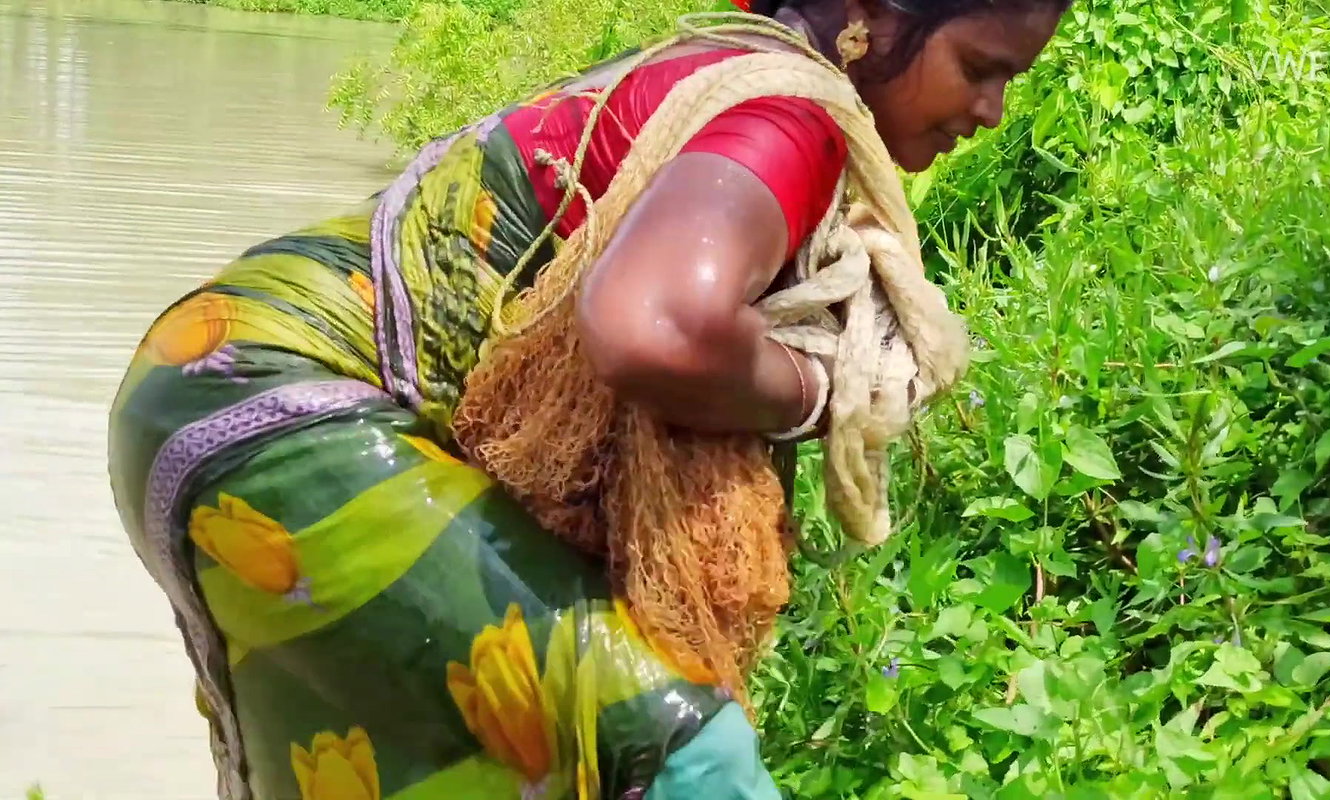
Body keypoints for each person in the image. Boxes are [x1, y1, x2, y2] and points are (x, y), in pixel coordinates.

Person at [107, 0, 1066, 798]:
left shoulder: (725, 65)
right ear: (870, 18)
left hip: (210, 380)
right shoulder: (784, 115)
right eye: (980, 65)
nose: (991, 107)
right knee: (687, 756)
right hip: (280, 404)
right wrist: (817, 389)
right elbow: (656, 328)